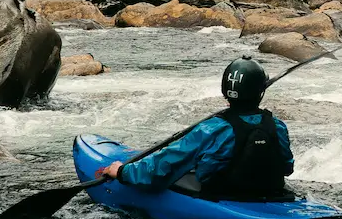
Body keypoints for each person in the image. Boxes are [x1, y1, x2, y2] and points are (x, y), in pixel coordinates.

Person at [97, 56, 295, 200]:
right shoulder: (277, 126)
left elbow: (163, 166)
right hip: (271, 194)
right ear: (260, 93)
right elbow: (287, 167)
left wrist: (122, 172)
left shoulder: (211, 129)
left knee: (183, 168)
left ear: (225, 91)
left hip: (222, 194)